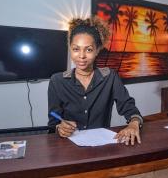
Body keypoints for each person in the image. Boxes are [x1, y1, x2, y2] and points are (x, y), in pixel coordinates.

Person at [48, 17, 143, 145]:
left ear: (97, 50)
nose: (81, 56)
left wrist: (134, 123)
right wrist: (60, 128)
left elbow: (129, 107)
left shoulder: (110, 77)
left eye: (89, 49)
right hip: (68, 147)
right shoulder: (57, 81)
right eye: (76, 49)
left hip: (101, 146)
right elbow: (53, 119)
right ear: (70, 48)